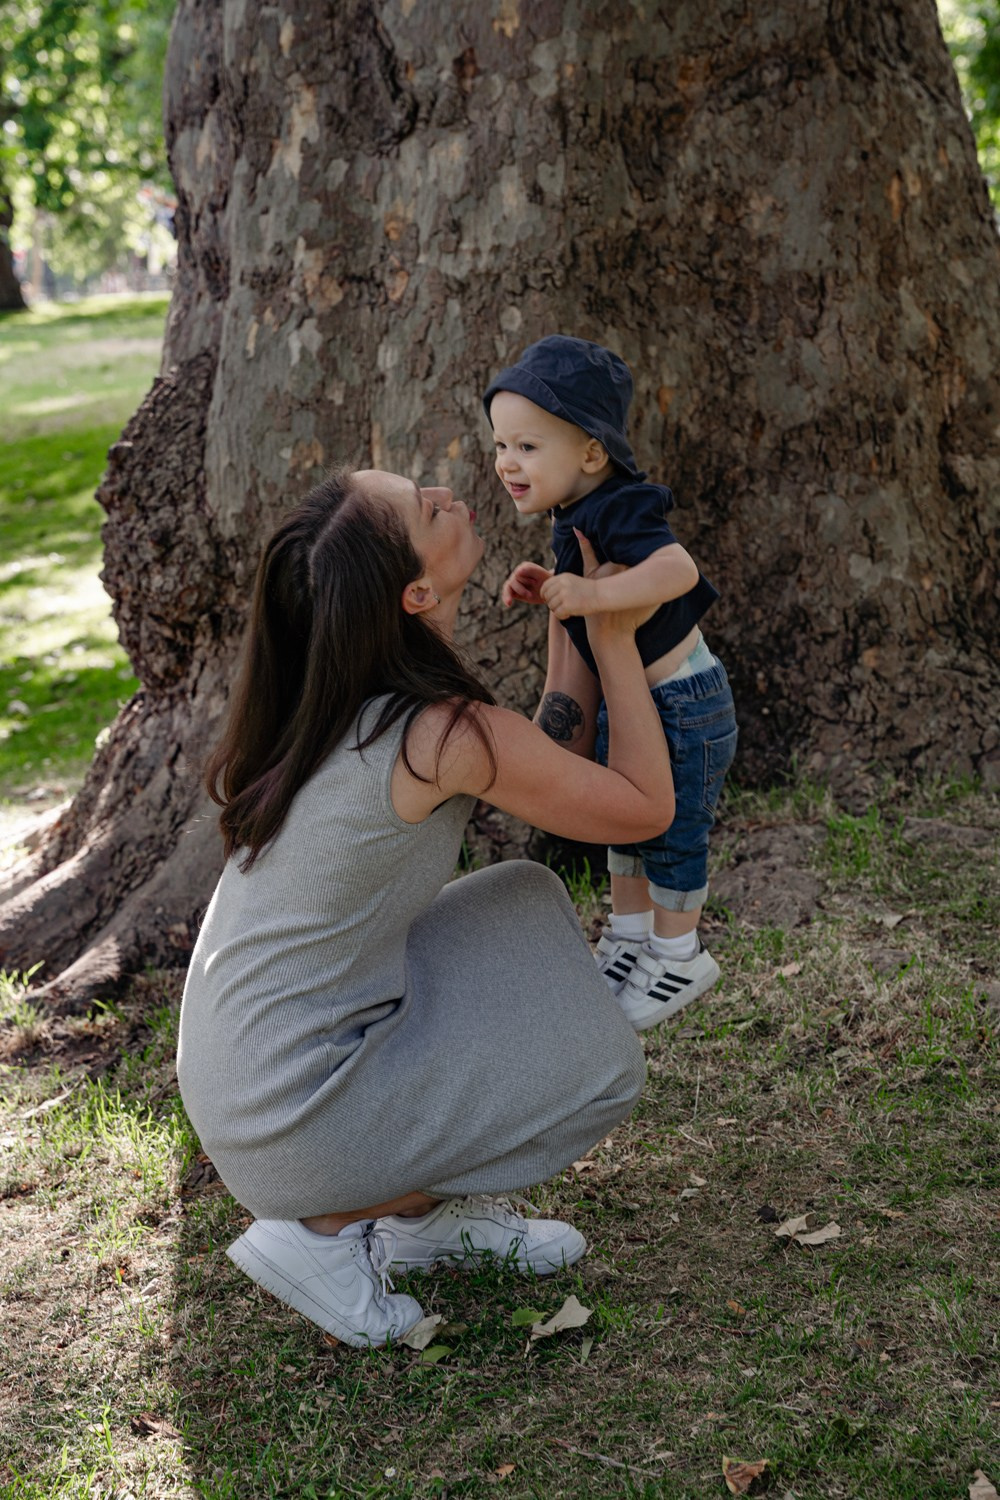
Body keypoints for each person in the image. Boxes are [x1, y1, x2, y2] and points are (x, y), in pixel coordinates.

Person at [176, 467, 674, 1349]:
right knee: (603, 1069)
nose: (450, 494)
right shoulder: (438, 733)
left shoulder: (348, 703)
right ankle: (321, 1232)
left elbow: (543, 752)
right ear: (414, 591)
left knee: (519, 904)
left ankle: (421, 1226)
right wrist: (617, 627)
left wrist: (572, 610)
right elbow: (642, 805)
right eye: (426, 509)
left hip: (250, 1077)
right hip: (289, 1117)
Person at [484, 335, 738, 1032]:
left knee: (675, 831)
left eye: (528, 447)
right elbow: (585, 604)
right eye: (501, 445)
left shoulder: (622, 505)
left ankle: (679, 952)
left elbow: (677, 572)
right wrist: (552, 591)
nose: (507, 462)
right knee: (624, 826)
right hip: (635, 702)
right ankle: (628, 940)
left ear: (591, 454)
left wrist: (595, 602)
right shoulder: (573, 517)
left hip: (682, 702)